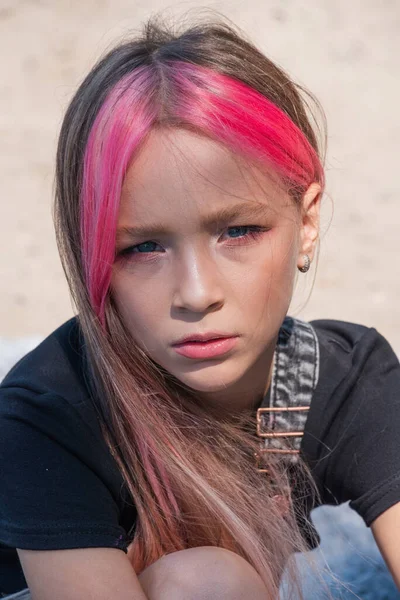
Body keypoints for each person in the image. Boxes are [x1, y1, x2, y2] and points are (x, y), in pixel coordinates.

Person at [0, 14, 399, 600]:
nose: (196, 292)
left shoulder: (344, 380)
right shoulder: (50, 418)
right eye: (142, 247)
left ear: (307, 221)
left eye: (238, 231)